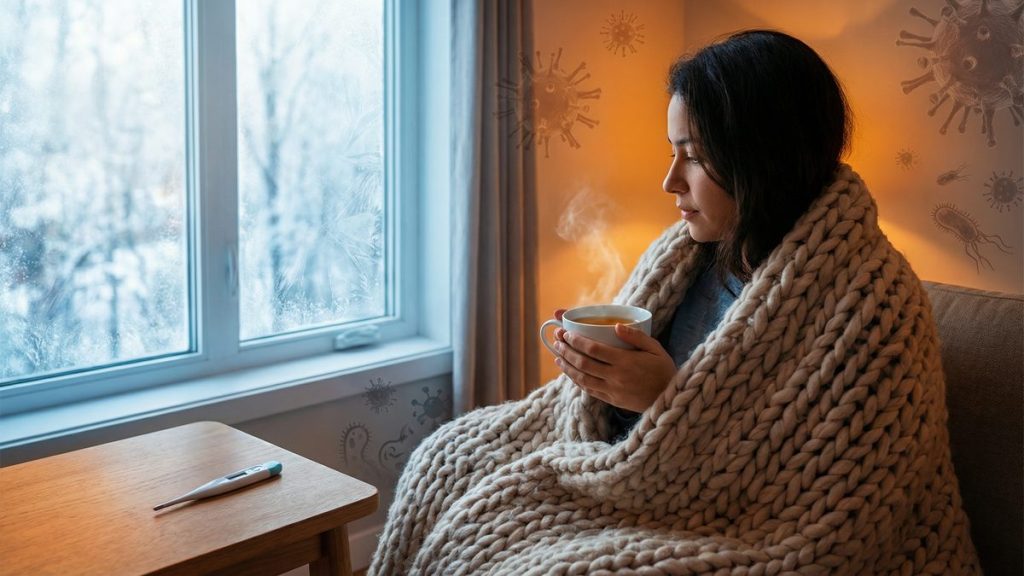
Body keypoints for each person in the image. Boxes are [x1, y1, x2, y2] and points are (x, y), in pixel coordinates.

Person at [371, 30, 980, 575]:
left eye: (694, 155)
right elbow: (612, 414)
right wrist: (595, 381)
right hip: (630, 471)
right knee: (441, 457)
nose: (670, 181)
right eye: (673, 151)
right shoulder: (687, 250)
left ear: (760, 157)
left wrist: (664, 401)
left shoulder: (873, 309)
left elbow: (834, 513)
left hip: (737, 524)